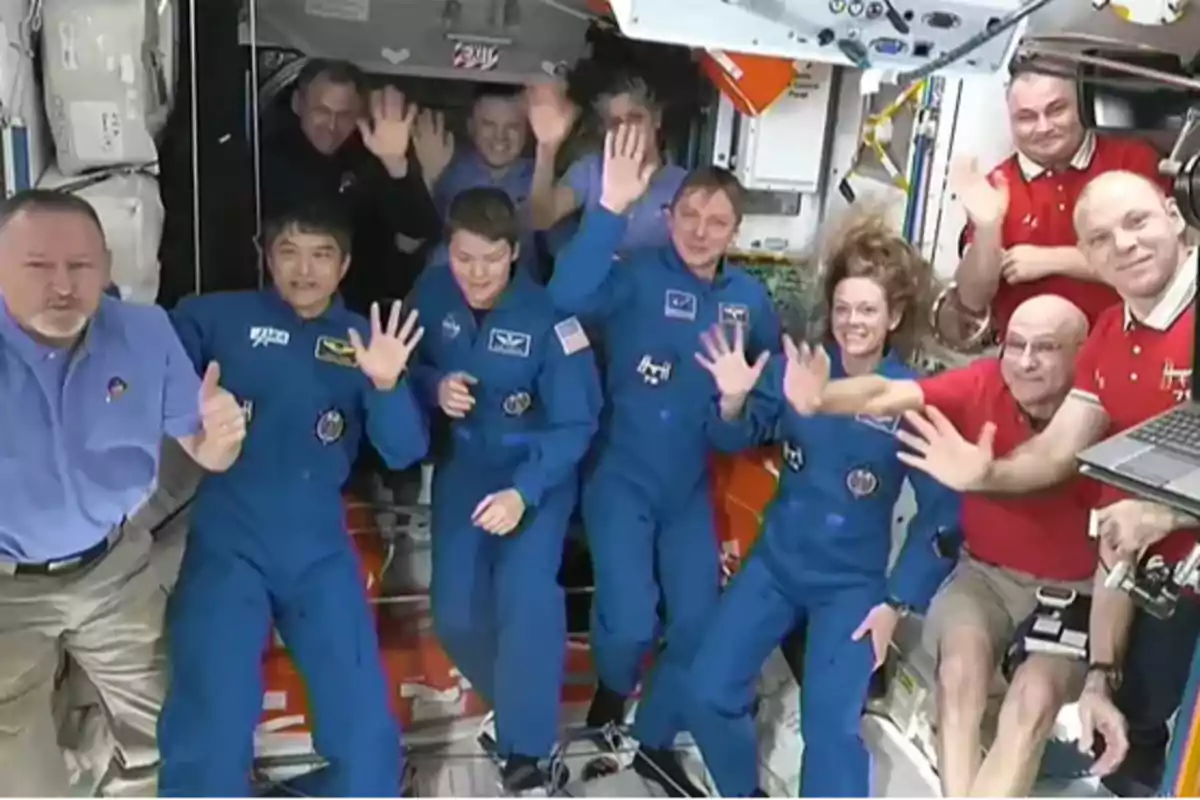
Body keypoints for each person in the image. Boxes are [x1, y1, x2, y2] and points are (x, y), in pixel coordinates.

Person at [896, 170, 1200, 796]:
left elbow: (1141, 509)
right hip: (1154, 594)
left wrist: (1169, 516)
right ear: (1087, 256)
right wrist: (989, 474)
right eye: (1102, 238)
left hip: (1171, 576)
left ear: (1175, 215)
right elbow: (1072, 466)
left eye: (1137, 221)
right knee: (1132, 747)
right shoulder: (1113, 339)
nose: (1125, 245)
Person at [782, 293, 1118, 795]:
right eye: (1015, 345)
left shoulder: (1106, 416)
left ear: (1081, 353)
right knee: (959, 674)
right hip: (982, 576)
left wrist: (982, 474)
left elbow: (1068, 485)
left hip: (1070, 593)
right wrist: (823, 397)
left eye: (1045, 348)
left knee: (1032, 699)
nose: (1025, 362)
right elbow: (888, 393)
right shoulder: (983, 383)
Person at [678, 212, 960, 798]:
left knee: (831, 731)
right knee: (706, 690)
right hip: (775, 567)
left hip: (851, 589)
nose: (852, 322)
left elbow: (944, 513)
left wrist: (896, 603)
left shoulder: (907, 399)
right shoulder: (796, 373)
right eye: (843, 309)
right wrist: (732, 403)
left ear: (894, 317)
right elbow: (735, 437)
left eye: (867, 310)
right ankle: (741, 791)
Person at [157, 204, 428, 796]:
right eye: (289, 252)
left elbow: (404, 451)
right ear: (267, 257)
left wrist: (385, 384)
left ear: (345, 264)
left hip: (318, 551)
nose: (304, 270)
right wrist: (188, 407)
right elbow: (151, 358)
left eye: (321, 254)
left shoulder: (366, 341)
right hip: (229, 545)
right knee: (211, 719)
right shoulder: (215, 316)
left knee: (366, 743)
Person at [548, 126, 780, 793]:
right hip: (620, 475)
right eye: (690, 216)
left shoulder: (749, 302)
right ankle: (610, 695)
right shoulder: (634, 276)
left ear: (735, 231)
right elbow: (563, 299)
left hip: (688, 487)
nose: (702, 231)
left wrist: (738, 409)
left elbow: (760, 409)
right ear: (668, 216)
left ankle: (653, 738)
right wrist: (609, 212)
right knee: (629, 617)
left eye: (718, 221)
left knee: (699, 624)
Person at [0, 189, 245, 795]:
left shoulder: (144, 332)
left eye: (81, 266)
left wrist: (223, 435)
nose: (63, 285)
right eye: (38, 266)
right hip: (7, 594)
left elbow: (206, 451)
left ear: (107, 267)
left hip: (115, 571)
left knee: (171, 738)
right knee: (21, 777)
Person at [407, 187, 602, 793]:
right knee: (456, 613)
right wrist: (434, 386)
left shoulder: (551, 319)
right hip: (464, 471)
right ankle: (517, 712)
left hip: (533, 477)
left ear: (513, 253)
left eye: (490, 259)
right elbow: (400, 365)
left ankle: (530, 752)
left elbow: (578, 421)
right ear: (449, 251)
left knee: (526, 602)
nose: (476, 274)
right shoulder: (433, 293)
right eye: (464, 258)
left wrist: (525, 492)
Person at [946, 66, 1167, 341]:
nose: (1043, 127)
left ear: (1081, 107)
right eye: (1026, 117)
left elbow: (1165, 263)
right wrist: (988, 230)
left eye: (1056, 110)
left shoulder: (1133, 160)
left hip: (1133, 348)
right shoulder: (997, 185)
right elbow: (972, 300)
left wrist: (1052, 260)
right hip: (1030, 363)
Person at [260, 58, 442, 311]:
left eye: (344, 115)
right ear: (297, 105)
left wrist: (396, 164)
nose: (332, 126)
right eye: (321, 112)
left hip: (353, 309)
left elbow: (418, 230)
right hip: (277, 306)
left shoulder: (370, 157)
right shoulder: (265, 160)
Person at [528, 72, 688, 256]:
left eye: (636, 118)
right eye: (615, 122)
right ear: (605, 130)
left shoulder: (683, 185)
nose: (626, 128)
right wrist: (546, 148)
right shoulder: (591, 170)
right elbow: (540, 218)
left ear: (657, 118)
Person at [414, 85, 542, 277]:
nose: (500, 137)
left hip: (517, 296)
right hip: (446, 291)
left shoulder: (541, 178)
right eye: (488, 125)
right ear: (471, 127)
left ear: (528, 130)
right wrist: (430, 177)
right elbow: (410, 241)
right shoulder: (445, 164)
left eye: (513, 127)